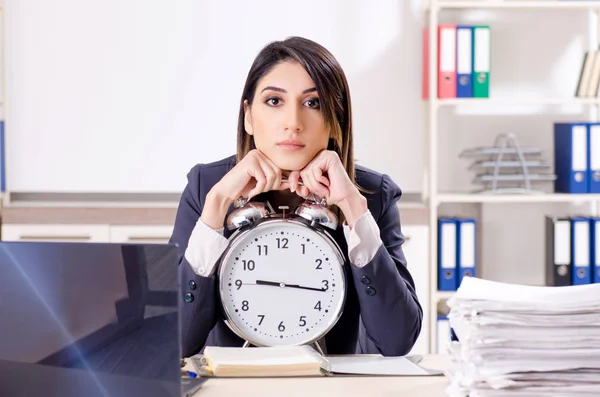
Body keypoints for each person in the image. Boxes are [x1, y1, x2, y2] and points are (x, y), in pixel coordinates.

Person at [170, 36, 422, 358]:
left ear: (335, 120)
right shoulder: (207, 186)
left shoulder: (372, 195)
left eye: (313, 103)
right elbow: (174, 342)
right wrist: (215, 209)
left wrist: (355, 212)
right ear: (248, 115)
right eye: (274, 101)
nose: (293, 123)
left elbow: (398, 340)